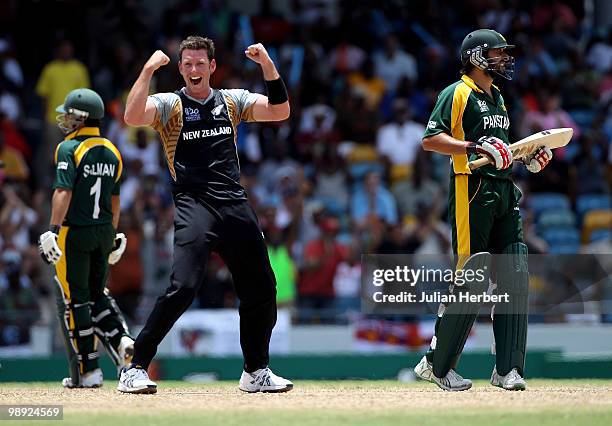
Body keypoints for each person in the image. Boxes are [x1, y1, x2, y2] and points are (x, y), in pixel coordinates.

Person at [118, 36, 292, 394]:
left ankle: (255, 371)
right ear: (180, 68)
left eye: (200, 64)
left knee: (262, 288)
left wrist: (267, 64)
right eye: (188, 64)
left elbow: (280, 111)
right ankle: (134, 367)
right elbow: (132, 116)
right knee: (182, 287)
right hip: (194, 205)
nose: (194, 70)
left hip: (235, 204)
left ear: (212, 67)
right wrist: (149, 69)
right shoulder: (170, 104)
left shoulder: (231, 100)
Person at [413, 29, 553, 391]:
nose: (504, 59)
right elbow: (430, 139)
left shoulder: (499, 98)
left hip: (505, 190)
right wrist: (472, 145)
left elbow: (503, 150)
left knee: (515, 272)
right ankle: (436, 365)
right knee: (471, 276)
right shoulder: (456, 92)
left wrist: (528, 157)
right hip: (470, 189)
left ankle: (508, 369)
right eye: (496, 53)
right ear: (476, 56)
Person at [37, 88, 134, 388]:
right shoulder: (113, 150)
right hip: (104, 231)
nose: (65, 119)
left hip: (74, 233)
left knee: (75, 302)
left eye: (69, 114)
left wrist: (52, 230)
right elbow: (114, 203)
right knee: (97, 294)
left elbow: (63, 191)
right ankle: (121, 340)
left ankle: (88, 372)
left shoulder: (68, 148)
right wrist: (114, 235)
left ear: (81, 118)